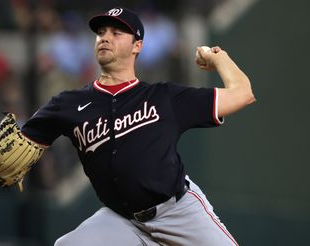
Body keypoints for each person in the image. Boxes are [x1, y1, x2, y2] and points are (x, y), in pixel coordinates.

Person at [20, 7, 255, 246]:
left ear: (137, 46)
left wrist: (219, 57)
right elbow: (18, 144)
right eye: (101, 32)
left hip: (178, 213)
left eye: (116, 32)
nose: (105, 37)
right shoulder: (68, 104)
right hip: (121, 220)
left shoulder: (164, 97)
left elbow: (243, 94)